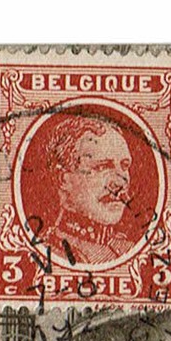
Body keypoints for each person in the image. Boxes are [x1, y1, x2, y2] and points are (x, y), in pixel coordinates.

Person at [35, 114, 138, 266]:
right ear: (63, 178)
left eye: (124, 166)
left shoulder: (130, 250)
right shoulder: (50, 252)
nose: (121, 181)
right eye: (102, 167)